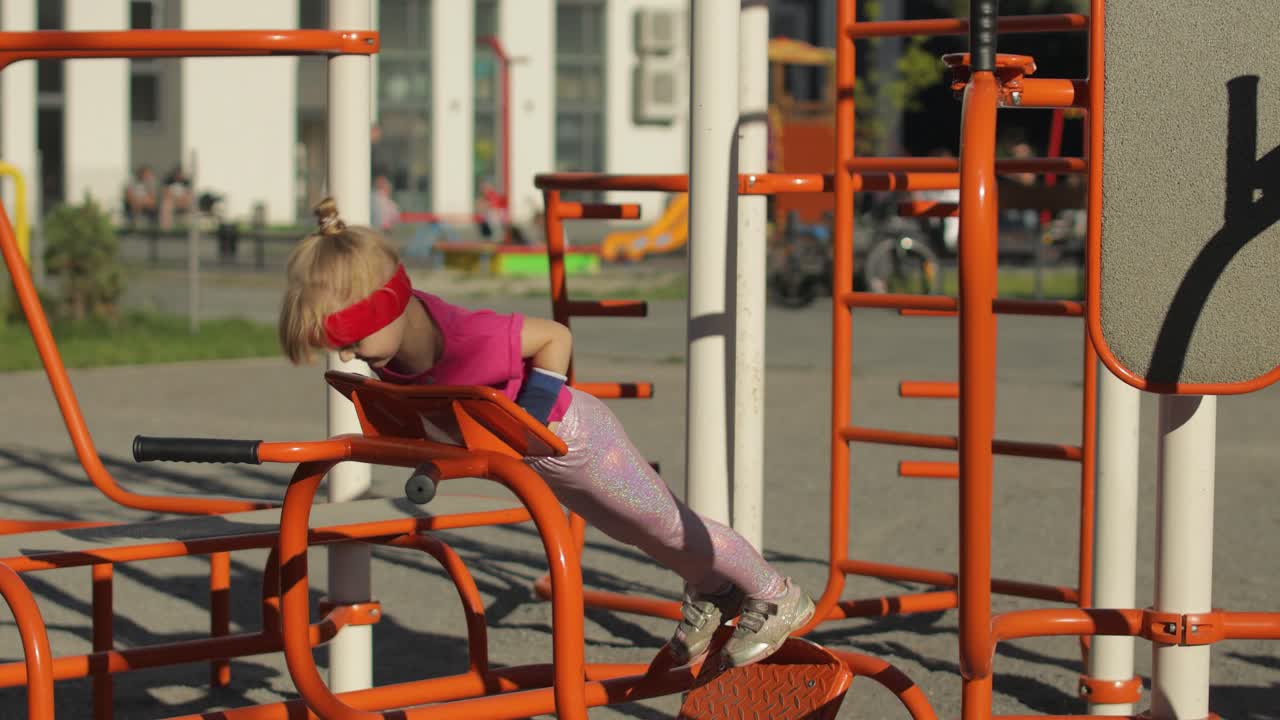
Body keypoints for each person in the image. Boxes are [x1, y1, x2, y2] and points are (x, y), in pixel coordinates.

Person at [278, 197, 815, 668]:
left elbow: (554, 337)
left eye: (351, 337)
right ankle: (714, 589)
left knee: (668, 524)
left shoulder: (469, 338)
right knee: (636, 533)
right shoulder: (393, 351)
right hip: (541, 457)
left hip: (578, 438)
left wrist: (531, 421)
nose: (348, 354)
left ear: (389, 305)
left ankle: (776, 593)